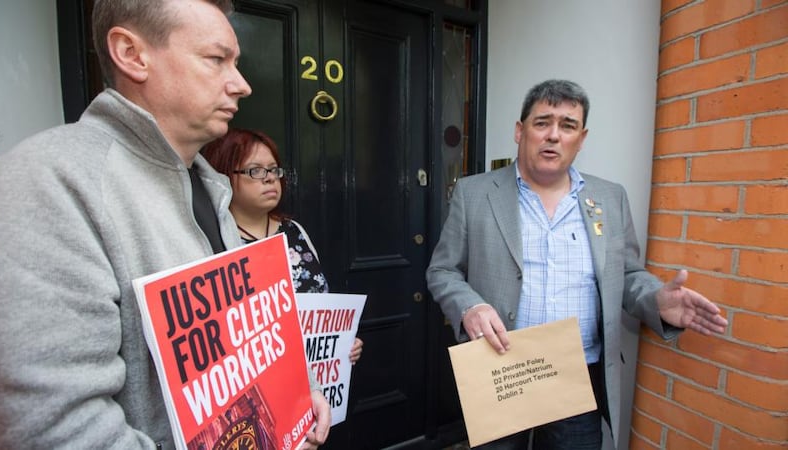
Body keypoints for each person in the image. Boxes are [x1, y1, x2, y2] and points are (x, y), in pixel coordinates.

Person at [0, 1, 330, 449]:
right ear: (131, 54)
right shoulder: (48, 181)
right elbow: (61, 431)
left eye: (237, 63)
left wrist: (299, 394)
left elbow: (246, 344)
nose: (242, 84)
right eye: (216, 59)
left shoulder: (210, 187)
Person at [426, 79, 728, 450]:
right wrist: (469, 306)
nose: (554, 135)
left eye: (567, 125)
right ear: (520, 132)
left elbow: (628, 274)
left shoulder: (609, 197)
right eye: (542, 123)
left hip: (576, 377)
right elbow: (442, 270)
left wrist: (656, 301)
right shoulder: (474, 193)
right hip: (501, 371)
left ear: (581, 138)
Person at [201, 127, 364, 363]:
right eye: (255, 170)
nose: (270, 178)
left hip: (316, 383)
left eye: (274, 169)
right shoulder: (214, 241)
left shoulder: (293, 230)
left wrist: (343, 341)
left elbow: (322, 309)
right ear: (223, 175)